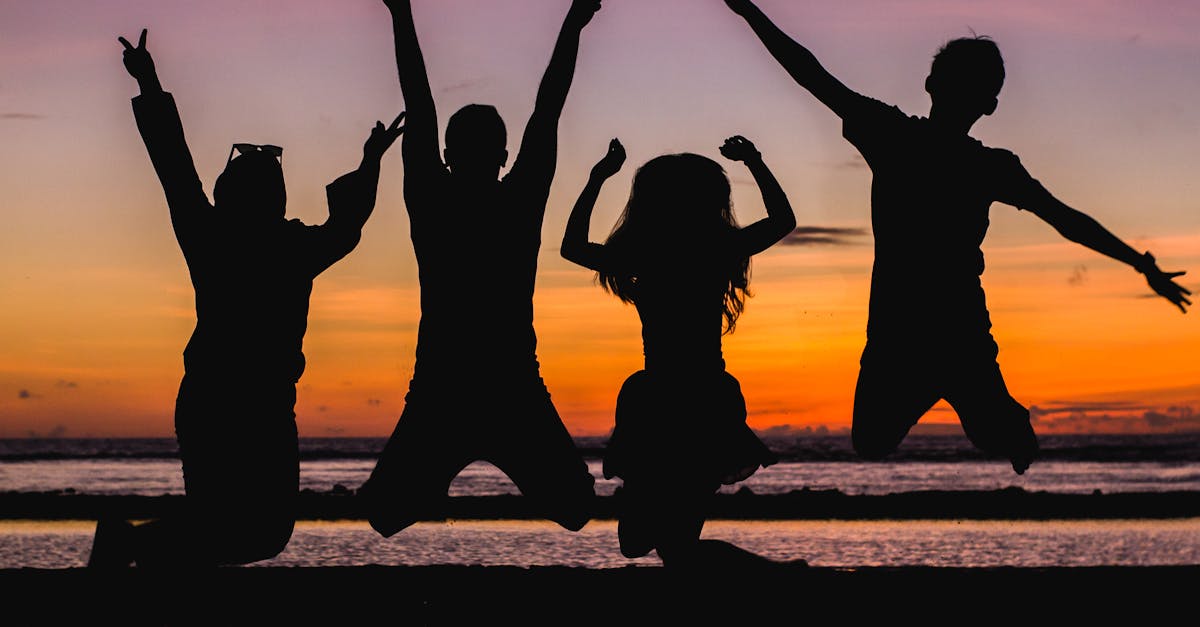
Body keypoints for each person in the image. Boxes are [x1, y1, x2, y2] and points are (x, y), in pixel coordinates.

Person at [724, 0, 1191, 475]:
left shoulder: (978, 162)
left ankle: (1003, 416)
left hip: (958, 334)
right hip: (897, 334)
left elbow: (1066, 219)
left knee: (985, 436)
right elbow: (810, 74)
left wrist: (1139, 262)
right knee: (870, 442)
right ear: (973, 99)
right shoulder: (896, 136)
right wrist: (748, 13)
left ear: (977, 101)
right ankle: (974, 405)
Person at [88, 29, 403, 568]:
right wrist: (370, 162)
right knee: (250, 532)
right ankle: (131, 548)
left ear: (225, 192)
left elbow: (175, 168)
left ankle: (132, 547)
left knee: (245, 531)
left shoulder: (216, 234)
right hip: (237, 403)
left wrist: (149, 82)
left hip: (232, 403)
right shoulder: (284, 244)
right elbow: (346, 226)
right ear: (272, 197)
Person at [357, 0, 601, 537]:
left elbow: (419, 103)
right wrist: (573, 24)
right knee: (576, 510)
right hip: (495, 383)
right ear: (505, 153)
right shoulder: (518, 196)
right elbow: (548, 107)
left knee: (384, 514)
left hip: (461, 384)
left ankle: (433, 477)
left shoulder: (433, 194)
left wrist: (400, 15)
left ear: (446, 153)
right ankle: (435, 476)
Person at [560, 136, 797, 567]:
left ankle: (774, 576)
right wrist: (755, 161)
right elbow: (782, 220)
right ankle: (772, 577)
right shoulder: (710, 250)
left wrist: (597, 178)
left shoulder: (651, 255)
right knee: (650, 544)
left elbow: (572, 246)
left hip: (675, 400)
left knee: (667, 547)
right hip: (694, 398)